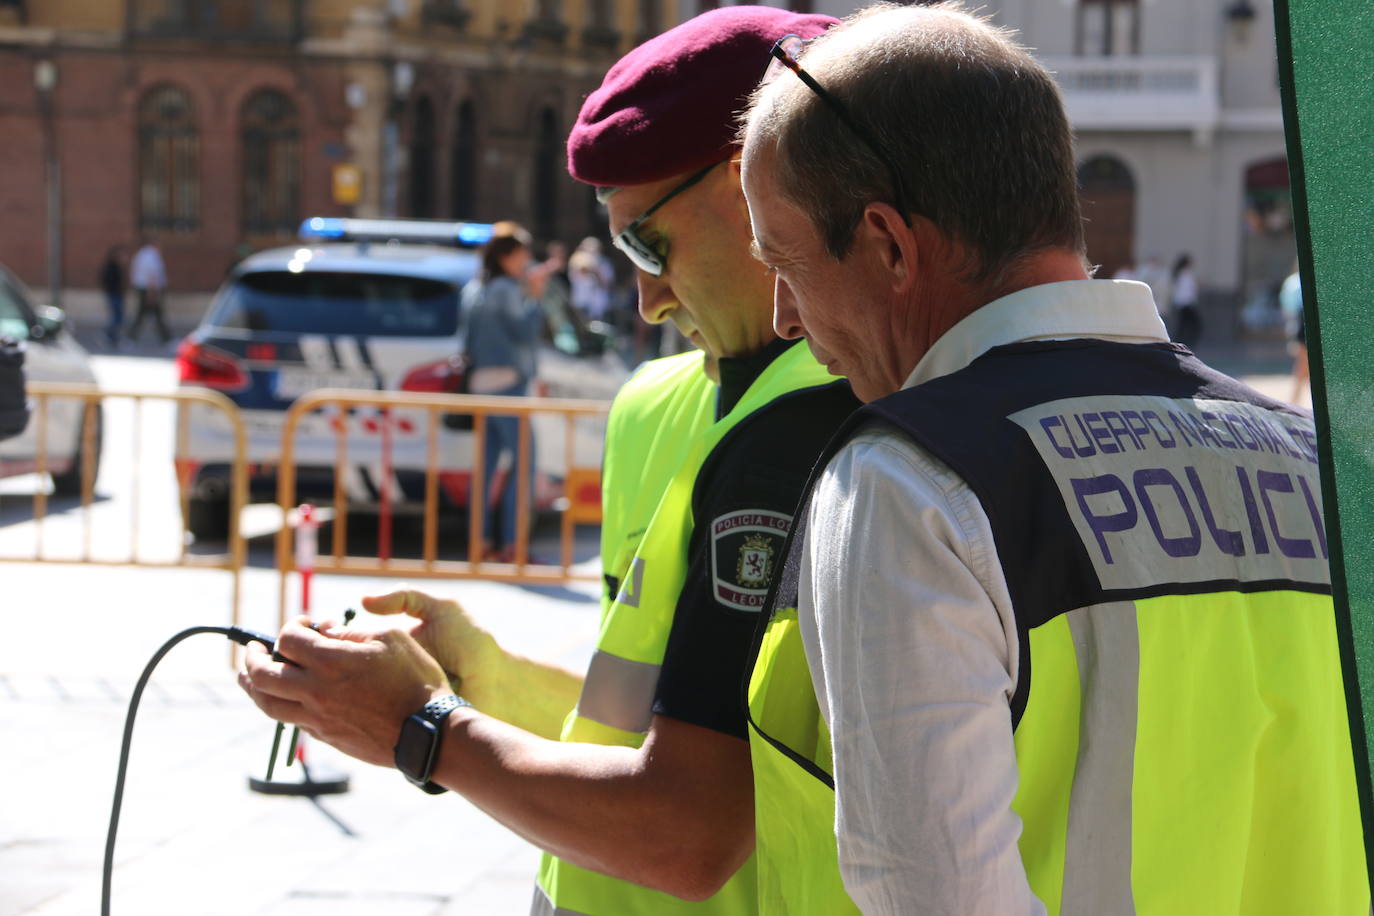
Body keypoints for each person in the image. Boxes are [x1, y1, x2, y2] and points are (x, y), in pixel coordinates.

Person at [738, 3, 1366, 913]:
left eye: (785, 263)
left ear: (887, 244)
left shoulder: (910, 482)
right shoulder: (1315, 465)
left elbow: (935, 896)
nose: (783, 320)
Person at [238, 8, 858, 916]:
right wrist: (482, 676)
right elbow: (652, 721)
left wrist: (422, 730)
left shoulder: (851, 406)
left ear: (751, 181)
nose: (643, 298)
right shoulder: (655, 401)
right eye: (621, 250)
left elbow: (690, 828)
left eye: (649, 241)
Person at [461, 223, 547, 562]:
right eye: (522, 253)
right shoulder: (505, 289)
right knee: (525, 462)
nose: (526, 260)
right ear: (507, 256)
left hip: (480, 385)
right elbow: (524, 332)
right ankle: (513, 544)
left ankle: (479, 542)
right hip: (507, 385)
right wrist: (536, 297)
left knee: (486, 468)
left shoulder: (475, 288)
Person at [127, 236, 170, 345]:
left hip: (144, 289)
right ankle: (166, 339)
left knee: (145, 315)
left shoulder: (141, 254)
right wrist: (152, 292)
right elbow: (152, 274)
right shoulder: (151, 255)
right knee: (153, 315)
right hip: (150, 290)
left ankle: (131, 338)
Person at [1279, 262, 1309, 405]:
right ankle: (1295, 400)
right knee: (1303, 363)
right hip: (1303, 324)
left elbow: (1287, 308)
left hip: (1299, 324)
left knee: (1303, 364)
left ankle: (1296, 399)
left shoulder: (1292, 282)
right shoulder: (1296, 282)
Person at [1170, 251, 1201, 347]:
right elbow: (1186, 290)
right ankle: (1182, 342)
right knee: (1189, 325)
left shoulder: (1183, 274)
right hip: (1185, 303)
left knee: (1184, 325)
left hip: (1185, 302)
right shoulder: (1184, 274)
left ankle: (1181, 342)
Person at [98, 244, 125, 348]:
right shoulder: (111, 267)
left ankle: (113, 337)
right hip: (114, 295)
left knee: (118, 318)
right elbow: (106, 281)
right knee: (116, 318)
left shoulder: (117, 267)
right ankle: (108, 335)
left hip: (116, 294)